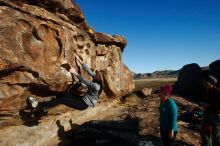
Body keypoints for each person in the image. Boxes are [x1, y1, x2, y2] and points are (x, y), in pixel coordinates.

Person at [27, 56, 104, 111]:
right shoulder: (96, 79)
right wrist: (78, 59)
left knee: (63, 100)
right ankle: (46, 106)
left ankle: (36, 105)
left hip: (82, 104)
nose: (95, 73)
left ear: (99, 78)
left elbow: (84, 80)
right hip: (81, 99)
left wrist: (74, 72)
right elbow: (88, 70)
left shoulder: (96, 86)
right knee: (64, 94)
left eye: (96, 74)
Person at [200, 74, 220, 146]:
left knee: (216, 134)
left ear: (211, 83)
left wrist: (209, 105)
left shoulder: (217, 92)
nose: (204, 82)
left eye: (206, 81)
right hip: (206, 113)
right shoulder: (205, 91)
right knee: (203, 131)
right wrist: (203, 104)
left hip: (216, 115)